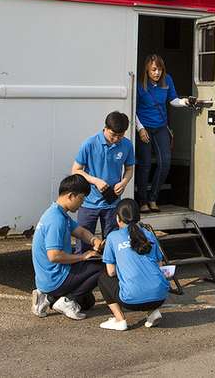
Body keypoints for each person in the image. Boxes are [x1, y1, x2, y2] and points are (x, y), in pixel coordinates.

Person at [30, 173, 105, 320]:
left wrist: (95, 240)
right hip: (55, 278)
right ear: (71, 196)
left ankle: (47, 298)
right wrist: (83, 256)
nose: (82, 203)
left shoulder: (57, 212)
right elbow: (54, 256)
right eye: (81, 198)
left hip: (48, 277)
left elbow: (81, 232)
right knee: (103, 266)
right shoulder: (56, 220)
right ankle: (66, 300)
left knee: (87, 302)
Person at [97, 198, 173, 331]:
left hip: (131, 301)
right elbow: (159, 266)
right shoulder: (149, 234)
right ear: (139, 217)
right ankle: (153, 312)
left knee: (103, 278)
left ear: (118, 219)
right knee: (149, 274)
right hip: (160, 297)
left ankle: (120, 320)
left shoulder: (113, 237)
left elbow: (111, 272)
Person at [134, 54, 193, 212]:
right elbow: (132, 108)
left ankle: (153, 198)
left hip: (161, 127)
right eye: (153, 69)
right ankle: (142, 201)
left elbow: (173, 100)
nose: (157, 73)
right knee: (145, 164)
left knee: (165, 163)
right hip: (144, 127)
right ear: (147, 69)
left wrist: (186, 102)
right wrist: (140, 129)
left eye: (160, 69)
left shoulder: (167, 80)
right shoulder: (139, 84)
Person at [72, 111, 135, 240]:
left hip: (112, 202)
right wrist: (95, 181)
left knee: (111, 241)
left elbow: (129, 169)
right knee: (84, 243)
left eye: (121, 135)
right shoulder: (89, 144)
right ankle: (83, 261)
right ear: (105, 128)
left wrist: (124, 182)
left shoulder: (127, 145)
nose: (116, 139)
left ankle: (108, 261)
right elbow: (76, 170)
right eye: (113, 135)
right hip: (88, 202)